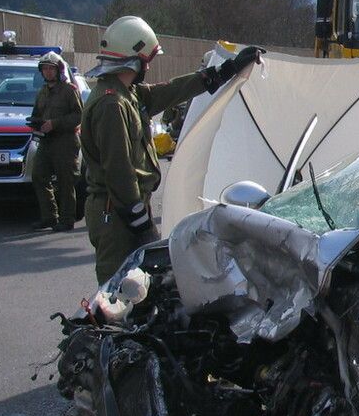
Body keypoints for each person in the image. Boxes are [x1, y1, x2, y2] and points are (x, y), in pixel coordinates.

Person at [80, 16, 263, 284]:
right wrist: (140, 223)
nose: (149, 66)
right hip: (115, 213)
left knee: (141, 285)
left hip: (122, 208)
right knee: (117, 291)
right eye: (147, 60)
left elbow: (171, 91)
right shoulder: (112, 105)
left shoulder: (127, 94)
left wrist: (226, 70)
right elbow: (118, 172)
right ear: (137, 58)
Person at [29, 51, 83, 232]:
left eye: (51, 69)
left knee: (66, 180)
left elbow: (78, 115)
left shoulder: (69, 91)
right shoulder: (42, 92)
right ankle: (49, 217)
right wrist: (36, 124)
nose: (48, 72)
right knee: (38, 175)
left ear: (58, 70)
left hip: (65, 142)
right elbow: (36, 114)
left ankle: (67, 219)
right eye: (44, 69)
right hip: (46, 142)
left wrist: (55, 124)